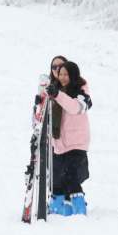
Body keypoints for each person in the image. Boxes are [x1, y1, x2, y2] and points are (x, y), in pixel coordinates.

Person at [47, 60, 92, 216]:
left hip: (76, 142)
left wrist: (57, 95)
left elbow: (74, 108)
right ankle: (58, 209)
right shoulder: (55, 90)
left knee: (72, 177)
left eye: (66, 74)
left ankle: (80, 210)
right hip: (59, 143)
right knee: (56, 180)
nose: (63, 77)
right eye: (60, 74)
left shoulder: (81, 92)